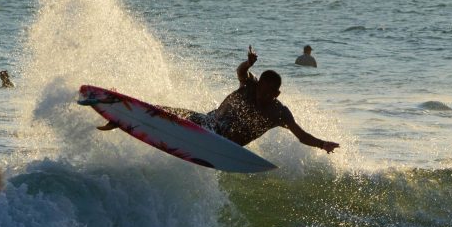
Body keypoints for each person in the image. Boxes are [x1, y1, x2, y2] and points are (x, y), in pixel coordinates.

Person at [101, 46, 339, 153]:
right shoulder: (249, 86)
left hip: (227, 144)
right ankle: (121, 111)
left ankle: (122, 115)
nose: (262, 96)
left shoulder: (279, 113)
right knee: (168, 113)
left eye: (268, 94)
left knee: (181, 118)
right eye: (261, 91)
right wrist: (248, 63)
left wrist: (322, 144)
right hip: (209, 124)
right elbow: (241, 73)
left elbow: (302, 135)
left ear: (276, 94)